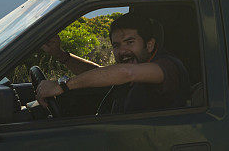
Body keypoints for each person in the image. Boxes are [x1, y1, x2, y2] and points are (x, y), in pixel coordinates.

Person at [36, 12, 191, 114]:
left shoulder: (167, 67)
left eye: (130, 42)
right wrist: (60, 55)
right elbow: (100, 73)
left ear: (149, 45)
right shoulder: (132, 68)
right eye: (116, 45)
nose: (122, 51)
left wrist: (63, 85)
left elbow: (126, 72)